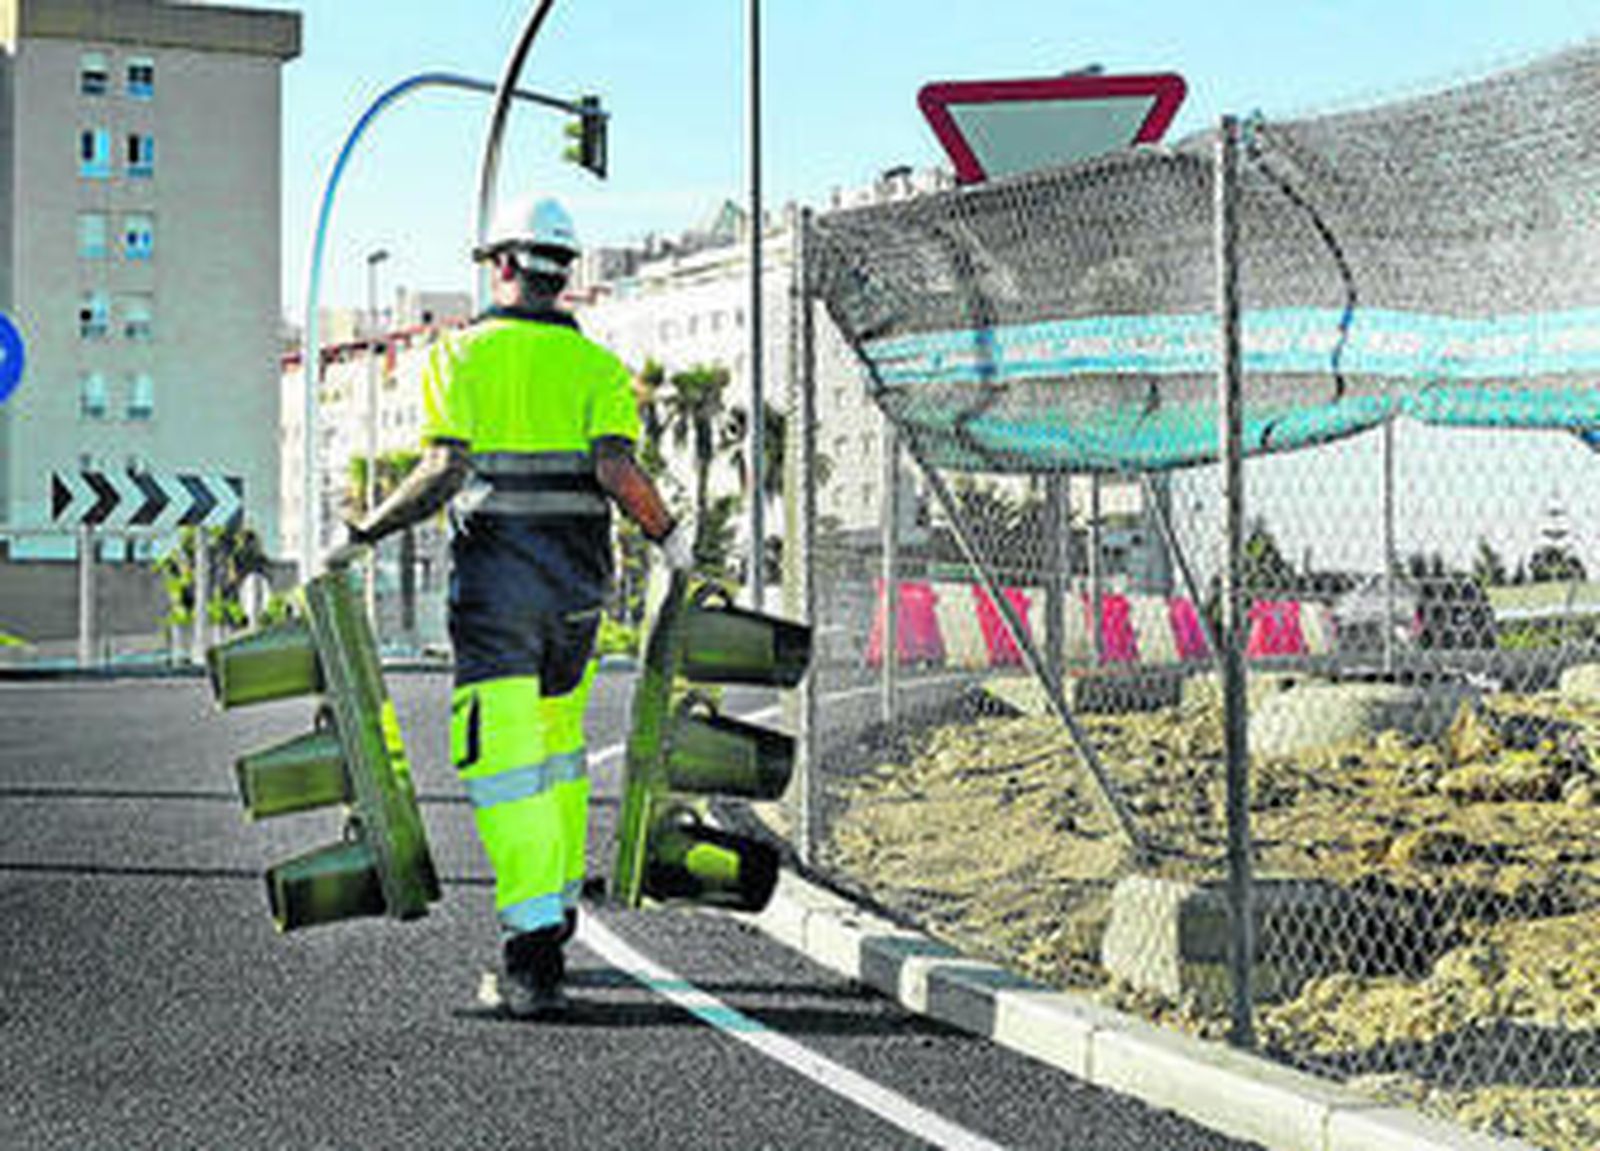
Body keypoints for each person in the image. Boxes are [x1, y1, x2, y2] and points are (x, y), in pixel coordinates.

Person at [343, 194, 693, 1018]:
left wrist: (362, 533)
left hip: (497, 599)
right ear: (563, 273)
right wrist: (671, 538)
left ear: (502, 265)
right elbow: (616, 471)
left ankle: (533, 950)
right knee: (556, 752)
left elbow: (443, 471)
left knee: (503, 771)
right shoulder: (600, 368)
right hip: (577, 597)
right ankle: (560, 900)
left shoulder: (457, 357)